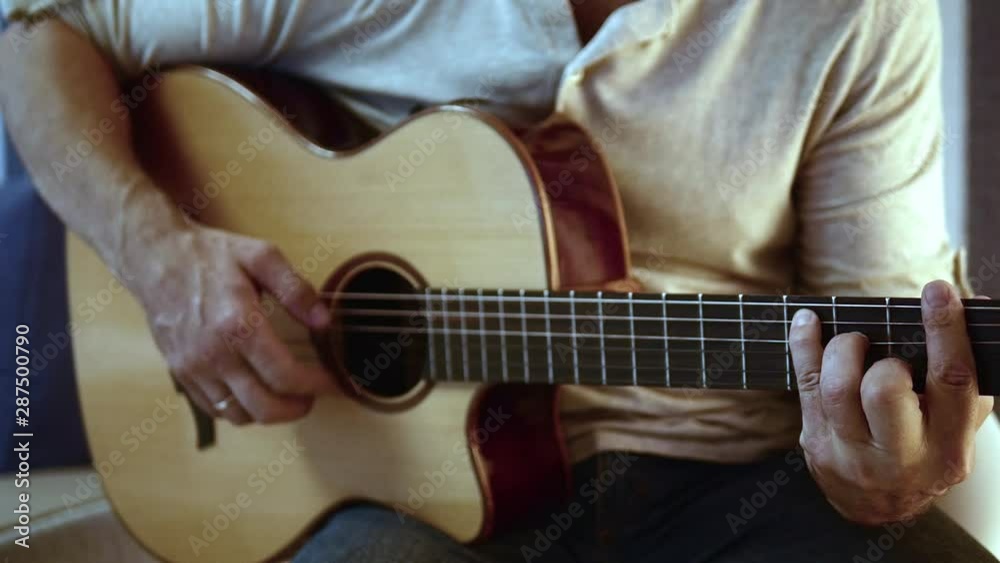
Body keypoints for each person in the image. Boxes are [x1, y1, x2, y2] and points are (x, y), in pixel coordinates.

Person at [0, 1, 996, 561]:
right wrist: (157, 252)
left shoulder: (861, 12)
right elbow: (38, 36)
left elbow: (887, 359)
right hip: (382, 493)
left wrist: (879, 468)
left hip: (728, 489)